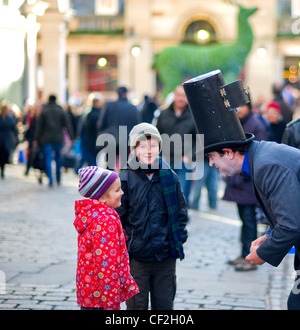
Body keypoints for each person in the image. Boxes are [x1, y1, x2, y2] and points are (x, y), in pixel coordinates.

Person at [183, 70, 300, 310]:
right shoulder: (260, 158)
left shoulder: (266, 165)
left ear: (228, 152)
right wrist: (268, 236)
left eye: (212, 157)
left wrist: (263, 252)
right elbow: (290, 209)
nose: (212, 164)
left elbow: (291, 224)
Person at [116, 123, 188, 310]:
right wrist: (128, 246)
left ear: (159, 148)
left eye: (153, 146)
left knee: (164, 304)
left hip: (165, 256)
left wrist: (178, 236)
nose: (149, 151)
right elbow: (118, 218)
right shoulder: (125, 179)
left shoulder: (170, 176)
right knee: (136, 306)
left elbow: (180, 211)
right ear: (134, 149)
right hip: (137, 258)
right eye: (143, 146)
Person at [74, 166, 139, 310]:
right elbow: (106, 266)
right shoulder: (105, 222)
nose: (122, 192)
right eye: (117, 190)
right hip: (102, 299)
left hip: (90, 293)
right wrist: (112, 304)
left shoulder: (93, 215)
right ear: (102, 197)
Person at [223, 100, 268, 271]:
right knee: (244, 221)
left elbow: (259, 152)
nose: (238, 109)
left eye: (241, 105)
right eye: (236, 106)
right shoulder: (238, 123)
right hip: (239, 180)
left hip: (247, 181)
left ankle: (250, 258)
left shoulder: (255, 124)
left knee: (249, 222)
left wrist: (244, 175)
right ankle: (244, 254)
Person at [156, 85, 197, 205]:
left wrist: (190, 156)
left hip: (184, 161)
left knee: (183, 194)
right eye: (179, 95)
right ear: (174, 96)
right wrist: (160, 154)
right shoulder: (163, 114)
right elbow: (157, 136)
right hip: (165, 160)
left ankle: (182, 220)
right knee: (165, 193)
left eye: (184, 96)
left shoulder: (193, 116)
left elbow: (199, 140)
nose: (181, 98)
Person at [34, 95, 74, 187]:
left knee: (48, 159)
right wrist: (72, 137)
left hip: (46, 139)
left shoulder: (44, 111)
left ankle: (51, 180)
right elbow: (67, 125)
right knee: (58, 159)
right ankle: (58, 179)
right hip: (58, 138)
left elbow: (39, 127)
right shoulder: (60, 111)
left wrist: (36, 139)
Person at [98, 86, 140, 169]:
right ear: (126, 94)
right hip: (126, 140)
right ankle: (122, 181)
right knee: (124, 166)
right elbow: (137, 126)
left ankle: (110, 181)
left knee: (110, 166)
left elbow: (101, 123)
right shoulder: (133, 108)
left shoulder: (109, 105)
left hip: (112, 138)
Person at [0, 102, 18, 179]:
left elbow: (14, 128)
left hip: (7, 139)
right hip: (0, 138)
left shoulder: (10, 118)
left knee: (6, 153)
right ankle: (2, 168)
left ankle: (3, 168)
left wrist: (16, 137)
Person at [85, 96, 104, 166]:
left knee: (93, 158)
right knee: (94, 158)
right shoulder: (96, 114)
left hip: (91, 139)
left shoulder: (90, 114)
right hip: (94, 139)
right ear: (96, 103)